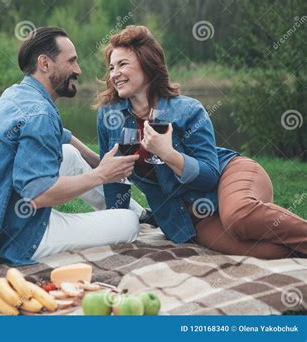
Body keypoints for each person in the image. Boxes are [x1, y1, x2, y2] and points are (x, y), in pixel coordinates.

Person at [96, 25, 307, 259]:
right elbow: (115, 180)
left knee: (238, 216)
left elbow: (209, 175)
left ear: (147, 64)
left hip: (230, 173)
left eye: (123, 64)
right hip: (186, 216)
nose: (114, 73)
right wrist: (116, 225)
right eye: (112, 67)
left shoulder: (187, 110)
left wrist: (168, 154)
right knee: (269, 251)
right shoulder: (109, 117)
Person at [0, 27, 146, 266]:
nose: (78, 70)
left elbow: (59, 136)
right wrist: (101, 174)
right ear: (45, 64)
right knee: (128, 224)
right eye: (72, 61)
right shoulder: (40, 113)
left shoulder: (19, 95)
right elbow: (38, 193)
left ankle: (141, 213)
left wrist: (93, 158)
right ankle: (130, 216)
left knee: (69, 153)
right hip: (15, 237)